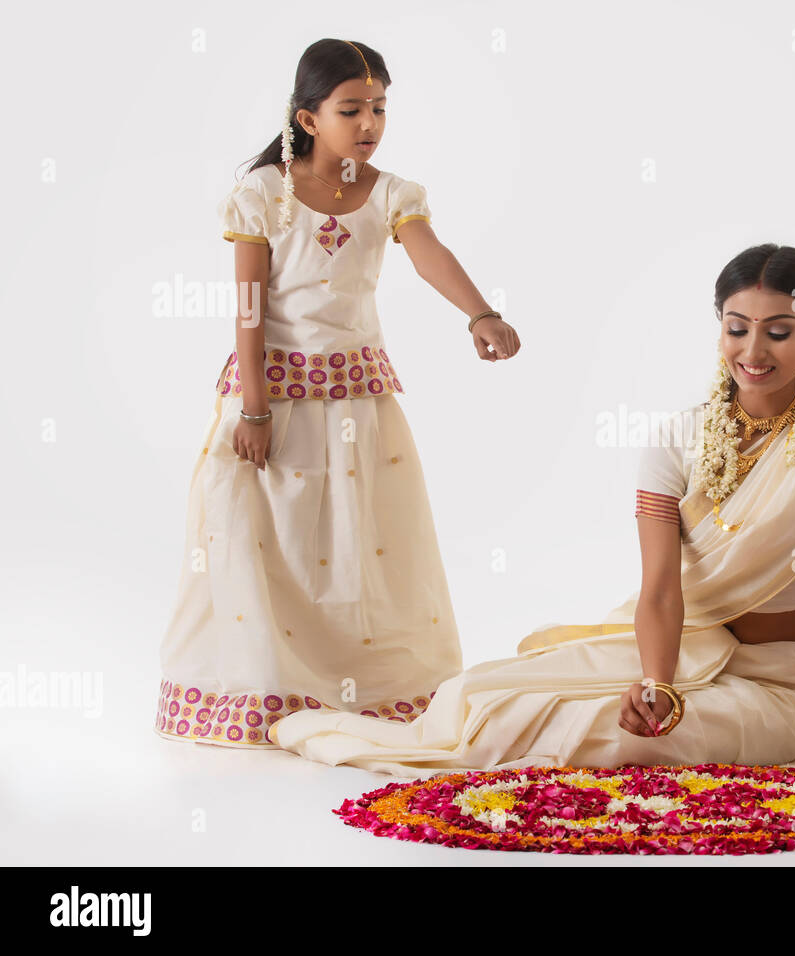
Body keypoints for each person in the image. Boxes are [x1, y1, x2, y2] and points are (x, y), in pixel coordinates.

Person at [269, 244, 795, 780]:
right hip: (682, 651)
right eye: (737, 328)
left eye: (779, 332)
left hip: (789, 689)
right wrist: (657, 685)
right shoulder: (677, 438)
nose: (755, 351)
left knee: (591, 739)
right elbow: (659, 590)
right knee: (472, 700)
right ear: (718, 327)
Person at [155, 39, 521, 748]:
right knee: (264, 544)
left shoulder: (390, 194)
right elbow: (251, 309)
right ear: (309, 118)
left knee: (362, 549)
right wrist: (254, 407)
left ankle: (369, 692)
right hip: (272, 397)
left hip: (358, 403)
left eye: (379, 107)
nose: (369, 123)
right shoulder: (263, 193)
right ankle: (263, 693)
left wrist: (481, 313)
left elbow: (429, 256)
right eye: (350, 108)